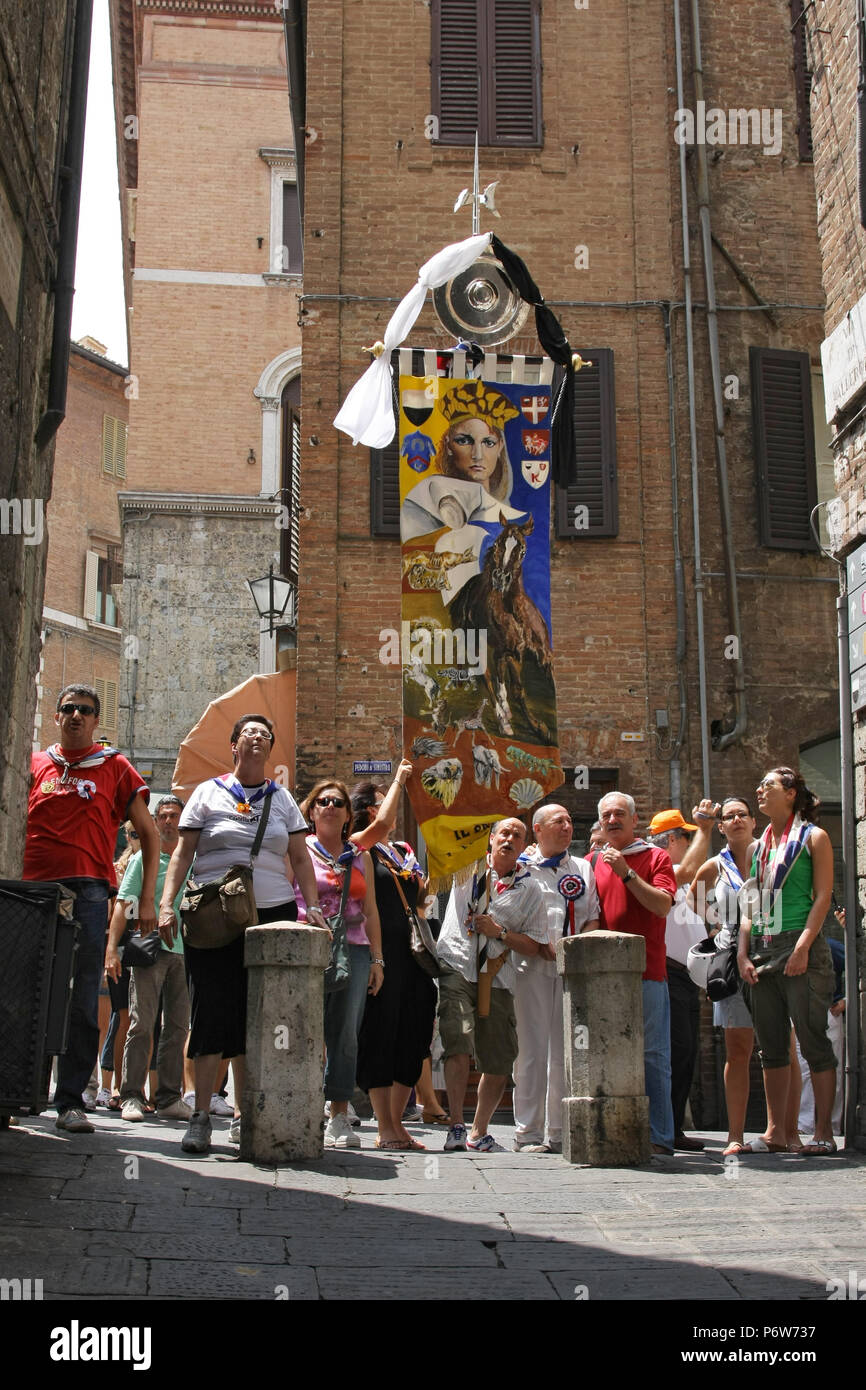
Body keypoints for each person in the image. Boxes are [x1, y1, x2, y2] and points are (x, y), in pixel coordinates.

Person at [158, 714, 326, 1155]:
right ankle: (199, 1116)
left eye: (264, 736)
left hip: (271, 912)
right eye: (248, 733)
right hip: (215, 914)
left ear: (270, 750)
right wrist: (165, 904)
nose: (256, 739)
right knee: (212, 1007)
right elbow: (183, 851)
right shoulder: (206, 794)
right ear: (233, 745)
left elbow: (301, 858)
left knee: (264, 1014)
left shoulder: (283, 799)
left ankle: (245, 1113)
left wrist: (310, 907)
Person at [23, 684, 159, 1134]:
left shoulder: (115, 768)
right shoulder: (36, 764)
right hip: (32, 890)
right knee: (25, 991)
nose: (76, 716)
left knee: (83, 998)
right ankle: (21, 1091)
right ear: (56, 715)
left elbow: (149, 833)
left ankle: (70, 1101)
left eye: (85, 710)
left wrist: (145, 900)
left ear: (97, 721)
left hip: (89, 891)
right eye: (68, 709)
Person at [737, 767, 838, 1156]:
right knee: (772, 1046)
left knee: (813, 1040)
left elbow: (823, 896)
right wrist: (743, 953)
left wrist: (803, 947)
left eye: (769, 786)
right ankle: (777, 1131)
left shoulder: (815, 838)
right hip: (762, 948)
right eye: (759, 784)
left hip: (800, 946)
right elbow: (749, 904)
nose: (760, 790)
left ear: (792, 793)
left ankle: (824, 1132)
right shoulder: (756, 846)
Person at [436, 818, 548, 1153]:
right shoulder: (466, 867)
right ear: (492, 838)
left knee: (499, 1058)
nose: (510, 839)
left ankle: (478, 1130)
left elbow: (536, 945)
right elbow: (444, 833)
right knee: (457, 1040)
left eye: (518, 835)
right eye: (504, 833)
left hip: (498, 975)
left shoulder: (530, 887)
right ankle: (455, 1124)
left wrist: (499, 932)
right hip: (457, 964)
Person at [351, 762, 438, 1151]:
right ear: (371, 809)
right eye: (384, 799)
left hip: (413, 954)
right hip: (382, 952)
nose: (392, 805)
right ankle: (384, 1125)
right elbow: (382, 829)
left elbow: (419, 899)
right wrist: (402, 777)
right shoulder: (360, 844)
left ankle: (400, 1123)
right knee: (382, 1032)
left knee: (416, 1027)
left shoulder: (400, 852)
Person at [586, 792, 677, 1155]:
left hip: (647, 971)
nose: (612, 820)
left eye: (619, 814)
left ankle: (659, 1136)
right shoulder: (590, 861)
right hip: (603, 975)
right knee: (603, 1052)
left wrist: (626, 874)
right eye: (606, 815)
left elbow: (661, 905)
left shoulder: (657, 857)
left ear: (634, 820)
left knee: (653, 1055)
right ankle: (611, 1131)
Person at [295, 779, 384, 1149]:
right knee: (305, 1028)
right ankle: (304, 1104)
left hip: (356, 946)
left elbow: (371, 910)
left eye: (338, 802)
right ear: (312, 810)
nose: (330, 806)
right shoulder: (298, 849)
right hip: (309, 945)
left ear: (349, 814)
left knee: (346, 1032)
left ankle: (338, 1112)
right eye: (322, 801)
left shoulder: (359, 854)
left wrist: (378, 958)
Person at [514, 804, 599, 1153]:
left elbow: (593, 916)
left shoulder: (582, 868)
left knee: (565, 1050)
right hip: (529, 967)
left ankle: (561, 1130)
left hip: (569, 971)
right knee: (530, 1050)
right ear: (537, 829)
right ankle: (528, 1132)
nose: (567, 826)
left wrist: (576, 948)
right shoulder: (521, 869)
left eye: (569, 820)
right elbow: (509, 916)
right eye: (558, 821)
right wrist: (539, 946)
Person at [106, 795, 192, 1122]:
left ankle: (169, 1097)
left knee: (177, 1027)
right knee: (142, 1023)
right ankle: (131, 1095)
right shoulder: (143, 860)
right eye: (163, 816)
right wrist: (112, 948)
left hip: (185, 952)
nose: (168, 821)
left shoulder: (193, 859)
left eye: (174, 816)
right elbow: (122, 904)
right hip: (148, 949)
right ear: (154, 822)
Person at [400, 382, 526, 603]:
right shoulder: (425, 504)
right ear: (448, 445)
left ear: (500, 447)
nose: (477, 454)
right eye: (464, 441)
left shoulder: (515, 519)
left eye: (488, 442)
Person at [647, 802, 717, 1151]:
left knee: (686, 1053)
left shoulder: (675, 879)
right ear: (669, 840)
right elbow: (690, 871)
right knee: (676, 1050)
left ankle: (673, 1126)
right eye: (686, 837)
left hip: (689, 978)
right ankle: (666, 1128)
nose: (690, 843)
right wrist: (705, 829)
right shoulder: (664, 873)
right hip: (671, 975)